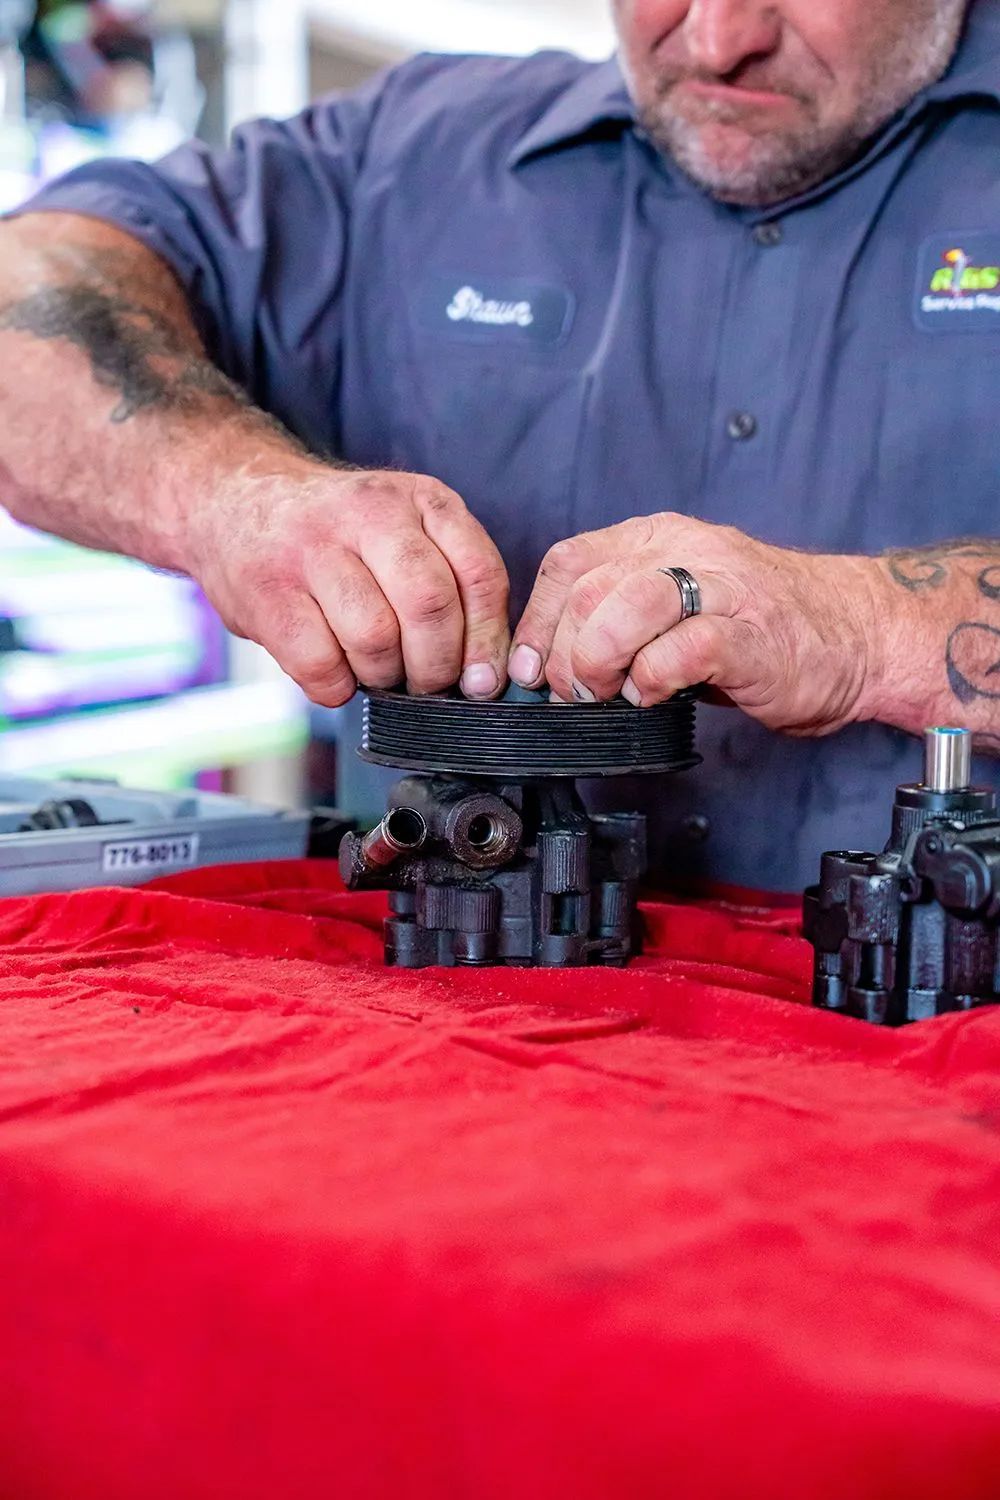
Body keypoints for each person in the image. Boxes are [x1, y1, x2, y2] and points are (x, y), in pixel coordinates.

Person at [1, 0, 999, 892]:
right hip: (446, 1039)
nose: (718, 37)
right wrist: (228, 495)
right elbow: (29, 294)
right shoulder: (409, 159)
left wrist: (867, 630)